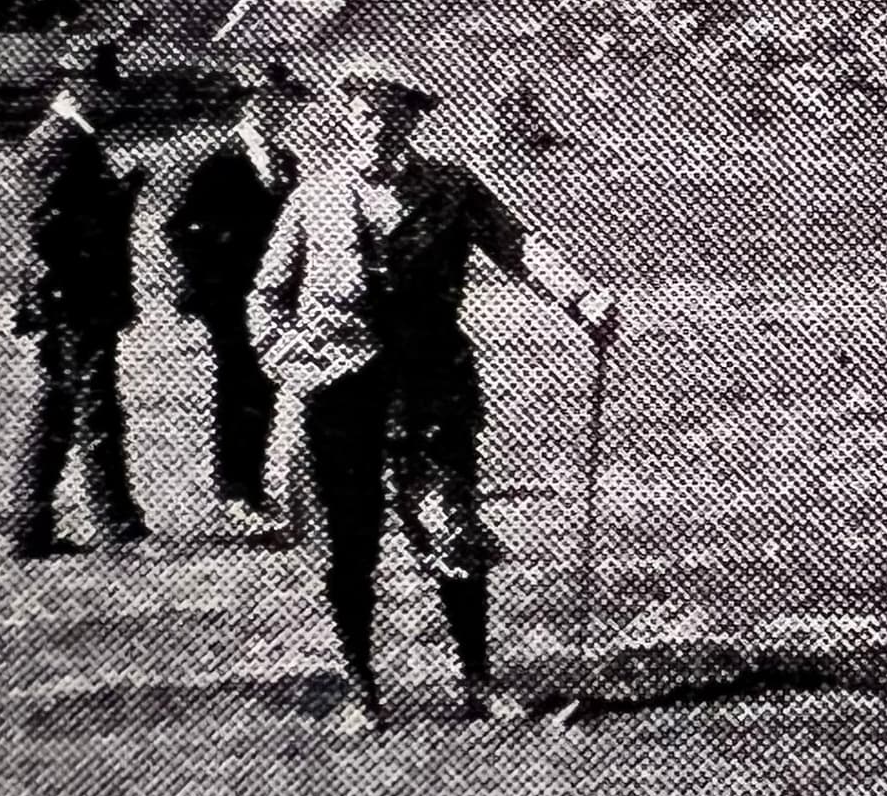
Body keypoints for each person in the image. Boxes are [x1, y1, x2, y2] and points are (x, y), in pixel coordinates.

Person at [249, 57, 621, 735]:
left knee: (454, 532)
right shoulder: (313, 197)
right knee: (349, 544)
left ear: (411, 119)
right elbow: (266, 297)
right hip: (340, 397)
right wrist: (287, 361)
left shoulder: (450, 188)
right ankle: (362, 691)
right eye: (363, 112)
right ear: (348, 117)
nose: (374, 125)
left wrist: (580, 295)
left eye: (390, 113)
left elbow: (518, 244)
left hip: (431, 391)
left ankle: (478, 682)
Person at [4, 34, 153, 561]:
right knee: (94, 410)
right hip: (74, 299)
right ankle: (116, 525)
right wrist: (120, 196)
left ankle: (31, 529)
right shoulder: (60, 140)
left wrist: (119, 193)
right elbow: (47, 226)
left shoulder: (71, 137)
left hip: (71, 296)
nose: (113, 98)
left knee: (60, 410)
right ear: (80, 85)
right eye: (105, 86)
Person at [158, 58, 307, 529]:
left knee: (264, 388)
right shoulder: (217, 165)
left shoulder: (287, 162)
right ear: (245, 105)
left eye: (281, 103)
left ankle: (257, 487)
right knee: (240, 386)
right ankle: (237, 492)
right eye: (265, 102)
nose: (275, 111)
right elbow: (180, 229)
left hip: (274, 296)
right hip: (229, 298)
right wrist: (212, 275)